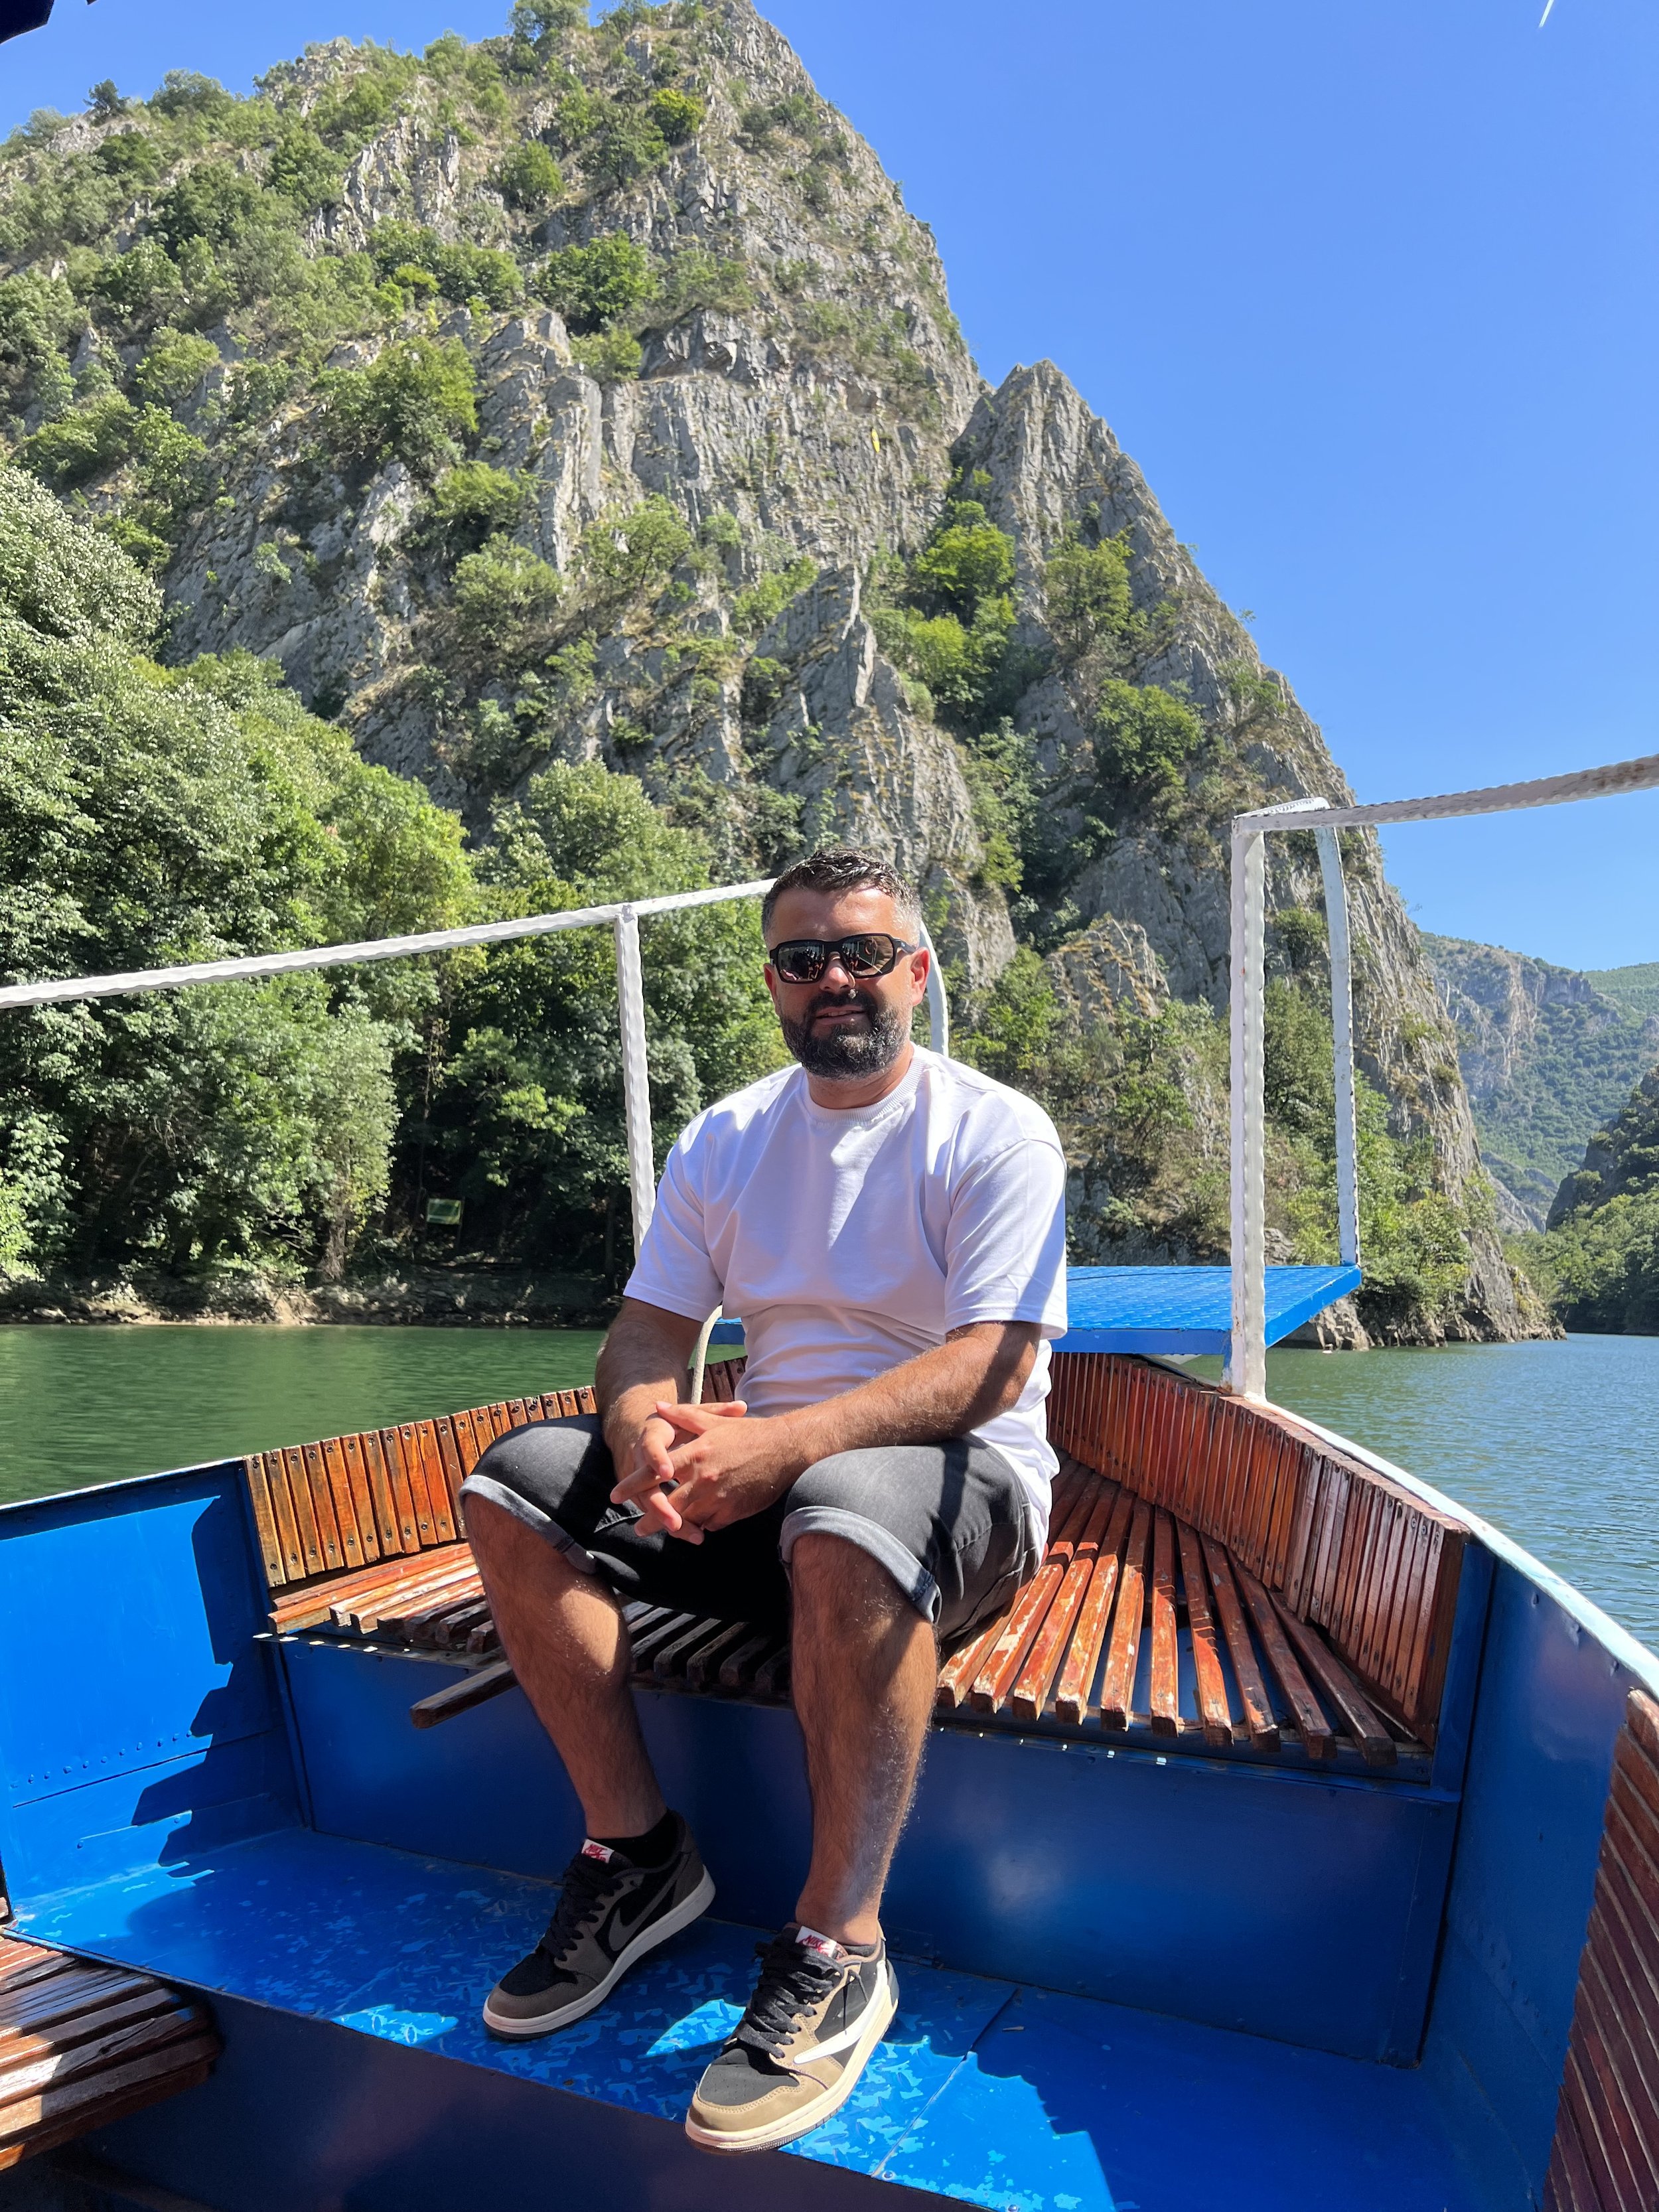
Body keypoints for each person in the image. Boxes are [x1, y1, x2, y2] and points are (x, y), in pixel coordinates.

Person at [461, 846, 1068, 2154]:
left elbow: (990, 1365)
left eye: (860, 951)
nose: (832, 978)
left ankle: (839, 1941)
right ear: (774, 985)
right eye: (801, 958)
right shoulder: (729, 1136)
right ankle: (637, 1857)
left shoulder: (992, 1129)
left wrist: (776, 1448)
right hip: (774, 1491)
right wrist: (640, 1439)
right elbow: (643, 1333)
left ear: (915, 969)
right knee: (512, 1487)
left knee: (840, 1512)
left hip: (962, 1488)